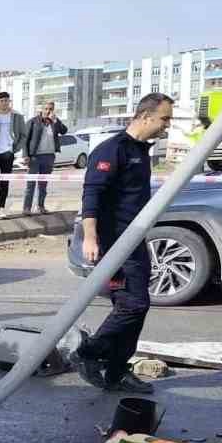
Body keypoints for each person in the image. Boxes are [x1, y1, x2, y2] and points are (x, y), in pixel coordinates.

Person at [71, 92, 175, 397]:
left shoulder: (140, 151)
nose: (166, 124)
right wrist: (91, 237)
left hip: (134, 240)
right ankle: (89, 352)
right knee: (134, 304)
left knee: (135, 308)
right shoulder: (111, 150)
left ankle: (116, 371)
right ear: (145, 117)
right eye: (164, 118)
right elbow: (92, 196)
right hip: (114, 243)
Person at [21, 100, 68, 215]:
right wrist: (26, 155)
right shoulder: (33, 122)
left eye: (51, 109)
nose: (48, 111)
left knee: (43, 184)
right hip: (35, 157)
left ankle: (40, 206)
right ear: (41, 109)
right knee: (31, 184)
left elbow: (64, 131)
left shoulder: (54, 122)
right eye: (46, 109)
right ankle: (27, 208)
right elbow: (25, 140)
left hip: (49, 156)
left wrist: (55, 120)